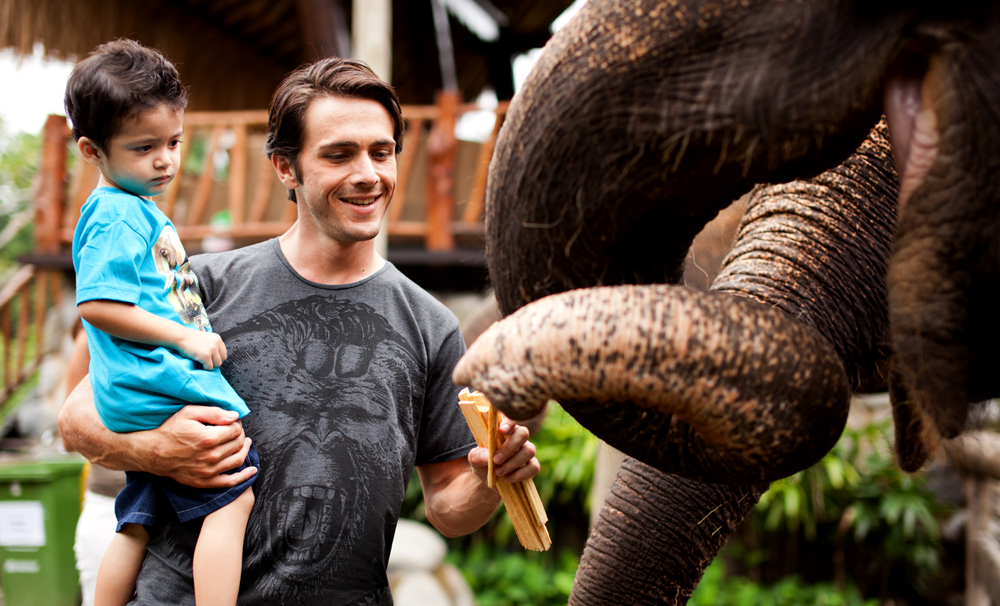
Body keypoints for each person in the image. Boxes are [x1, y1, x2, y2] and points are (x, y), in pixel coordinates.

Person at [59, 56, 540, 605]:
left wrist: (488, 479)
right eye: (339, 154)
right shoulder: (203, 284)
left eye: (382, 153)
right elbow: (76, 422)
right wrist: (158, 449)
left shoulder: (431, 325)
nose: (368, 173)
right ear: (286, 167)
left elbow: (448, 510)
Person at [64, 39, 257, 606]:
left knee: (138, 519)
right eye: (144, 147)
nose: (165, 160)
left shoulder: (132, 207)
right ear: (92, 150)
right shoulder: (116, 215)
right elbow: (96, 306)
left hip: (138, 394)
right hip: (161, 387)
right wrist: (184, 335)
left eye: (173, 142)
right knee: (234, 494)